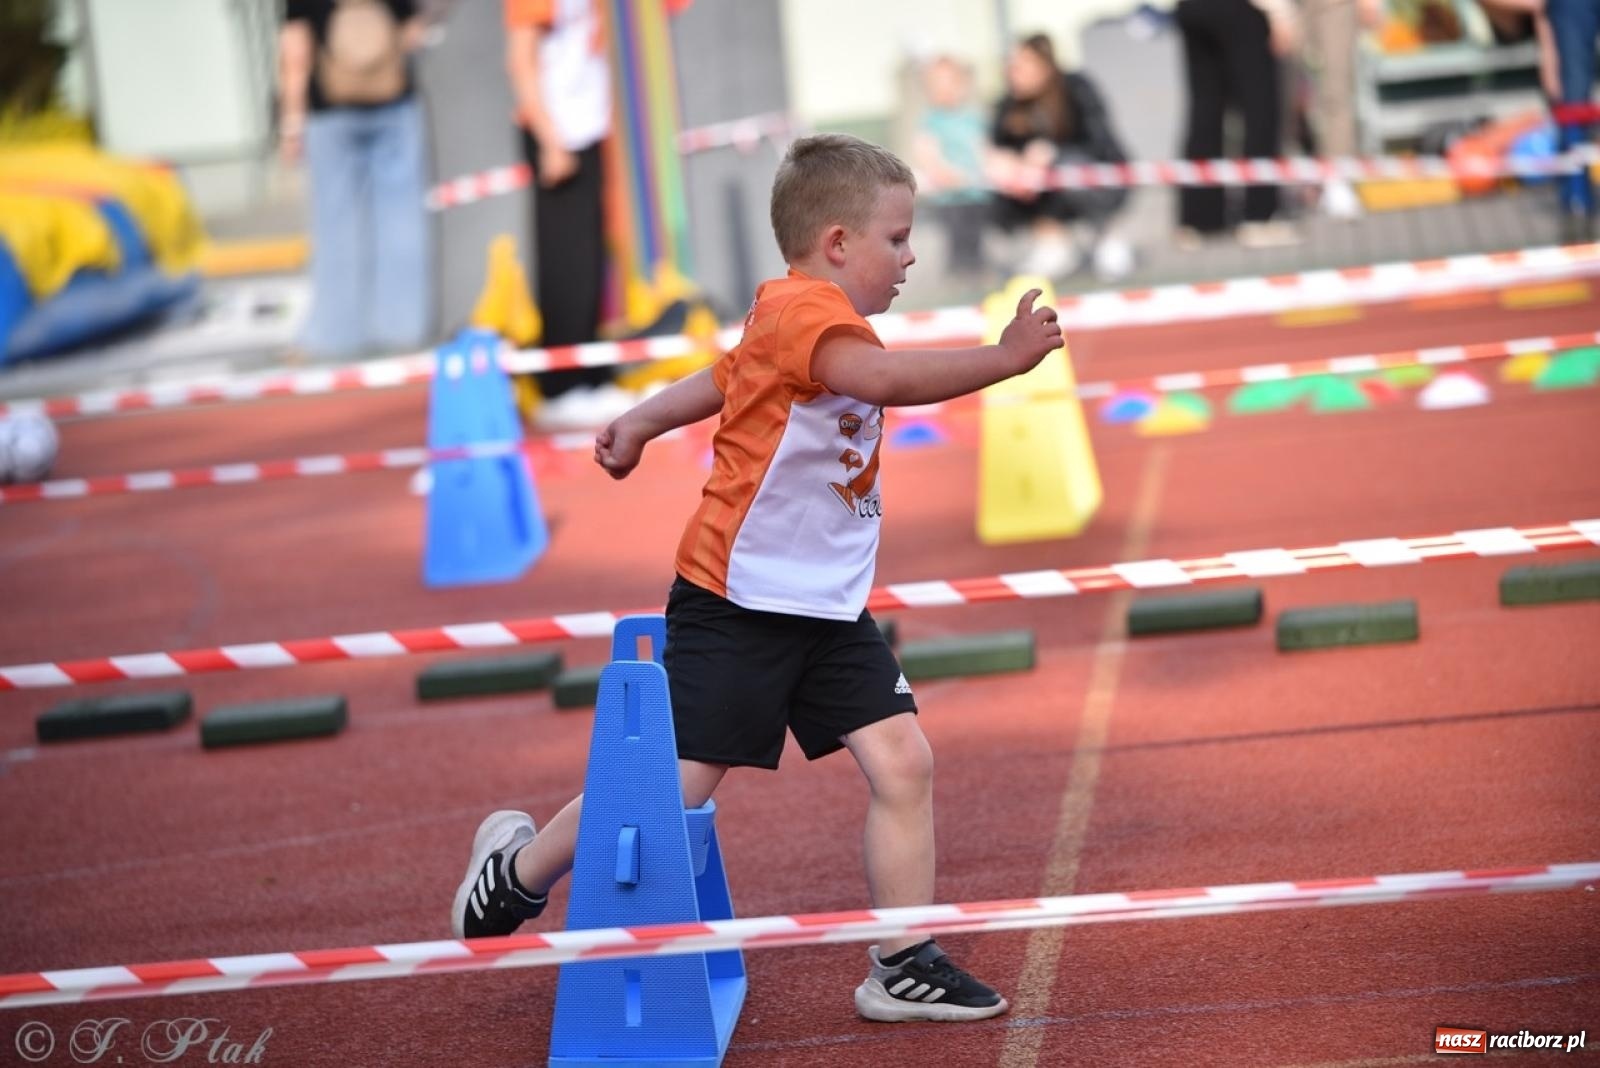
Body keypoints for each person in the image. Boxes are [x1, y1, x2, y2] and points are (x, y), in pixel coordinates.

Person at [450, 133, 1066, 1023]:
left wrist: (641, 419)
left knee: (903, 761)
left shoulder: (795, 319)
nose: (911, 255)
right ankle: (518, 871)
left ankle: (903, 959)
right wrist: (1003, 360)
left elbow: (723, 377)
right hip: (736, 603)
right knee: (670, 793)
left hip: (824, 605)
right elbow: (880, 379)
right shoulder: (809, 318)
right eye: (897, 238)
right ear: (837, 244)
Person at [279, 0, 434, 360]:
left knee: (336, 226)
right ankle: (404, 328)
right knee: (402, 221)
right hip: (394, 101)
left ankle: (337, 334)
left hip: (330, 108)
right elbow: (413, 32)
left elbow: (296, 49)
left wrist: (290, 123)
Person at [503, 0, 614, 412]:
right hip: (556, 132)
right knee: (564, 262)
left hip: (589, 126)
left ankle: (591, 376)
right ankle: (561, 388)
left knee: (588, 261)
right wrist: (549, 140)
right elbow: (520, 58)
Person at [988, 34, 1136, 282]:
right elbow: (998, 146)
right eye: (1010, 64)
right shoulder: (1008, 103)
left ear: (1044, 66)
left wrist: (1050, 152)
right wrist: (1006, 161)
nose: (1013, 72)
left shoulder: (1076, 88)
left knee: (1067, 166)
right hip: (1040, 193)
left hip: (1099, 179)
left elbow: (1098, 141)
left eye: (1022, 64)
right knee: (1006, 175)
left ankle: (1107, 236)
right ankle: (1052, 242)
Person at [1174, 0, 1302, 248]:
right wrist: (1281, 13)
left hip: (1191, 8)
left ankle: (1199, 219)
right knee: (1260, 110)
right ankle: (1260, 215)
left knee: (1204, 112)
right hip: (1240, 9)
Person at [912, 55, 992, 279]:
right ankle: (958, 275)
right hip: (949, 196)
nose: (945, 90)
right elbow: (926, 150)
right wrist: (942, 172)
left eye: (950, 83)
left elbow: (983, 148)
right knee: (957, 240)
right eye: (937, 85)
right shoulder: (931, 120)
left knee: (976, 239)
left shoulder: (973, 117)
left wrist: (989, 169)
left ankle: (978, 273)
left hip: (976, 194)